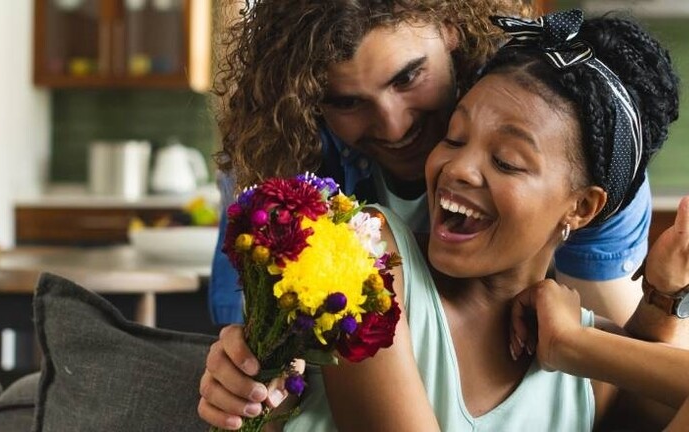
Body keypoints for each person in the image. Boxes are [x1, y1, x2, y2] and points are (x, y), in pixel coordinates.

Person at [200, 9, 689, 431]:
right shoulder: (365, 264)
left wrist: (590, 335)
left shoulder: (582, 351)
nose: (456, 167)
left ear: (582, 209)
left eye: (507, 161)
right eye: (454, 138)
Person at [209, 0, 656, 330]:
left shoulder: (569, 133)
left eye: (407, 77)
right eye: (347, 102)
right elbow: (262, 345)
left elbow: (623, 373)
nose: (393, 125)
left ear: (449, 28)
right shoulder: (281, 148)